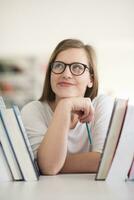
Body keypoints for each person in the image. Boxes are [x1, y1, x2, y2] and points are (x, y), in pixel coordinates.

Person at [21, 39, 114, 175]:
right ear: (50, 73)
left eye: (77, 67)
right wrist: (65, 106)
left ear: (91, 79)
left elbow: (105, 161)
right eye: (59, 66)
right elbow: (49, 168)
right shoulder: (33, 111)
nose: (66, 74)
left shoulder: (102, 105)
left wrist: (49, 162)